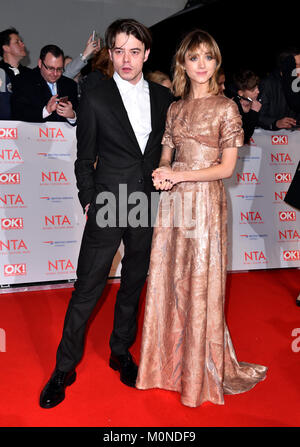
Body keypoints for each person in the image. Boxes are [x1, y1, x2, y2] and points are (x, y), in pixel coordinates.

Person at [39, 18, 173, 409]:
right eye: (119, 51)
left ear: (146, 54)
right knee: (87, 288)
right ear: (109, 53)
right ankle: (64, 367)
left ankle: (120, 351)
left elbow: (168, 152)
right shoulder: (95, 97)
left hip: (146, 202)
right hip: (107, 203)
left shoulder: (164, 100)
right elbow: (84, 159)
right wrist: (88, 199)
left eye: (135, 51)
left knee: (133, 281)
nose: (126, 59)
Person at [136, 29, 267, 407]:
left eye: (208, 57)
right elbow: (166, 152)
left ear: (216, 63)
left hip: (205, 203)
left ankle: (199, 369)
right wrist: (163, 171)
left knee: (199, 280)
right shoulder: (174, 108)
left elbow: (225, 170)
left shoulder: (226, 107)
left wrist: (179, 174)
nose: (201, 65)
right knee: (169, 278)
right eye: (193, 57)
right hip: (175, 203)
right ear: (183, 63)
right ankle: (167, 365)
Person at [11, 44, 78, 124]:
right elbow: (18, 112)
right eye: (51, 68)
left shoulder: (70, 85)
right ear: (40, 63)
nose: (55, 73)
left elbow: (82, 116)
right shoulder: (24, 81)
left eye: (59, 69)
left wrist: (72, 116)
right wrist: (46, 111)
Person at [258, 48, 300, 130]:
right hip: (267, 139)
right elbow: (258, 115)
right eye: (297, 65)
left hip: (294, 139)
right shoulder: (268, 84)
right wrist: (276, 122)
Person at [0, 27, 31, 119]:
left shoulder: (30, 74)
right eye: (17, 42)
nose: (23, 44)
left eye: (21, 41)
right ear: (6, 48)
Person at [228, 69, 262, 144]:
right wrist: (254, 112)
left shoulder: (257, 102)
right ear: (241, 93)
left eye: (257, 87)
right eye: (253, 90)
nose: (258, 91)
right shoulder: (233, 106)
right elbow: (243, 138)